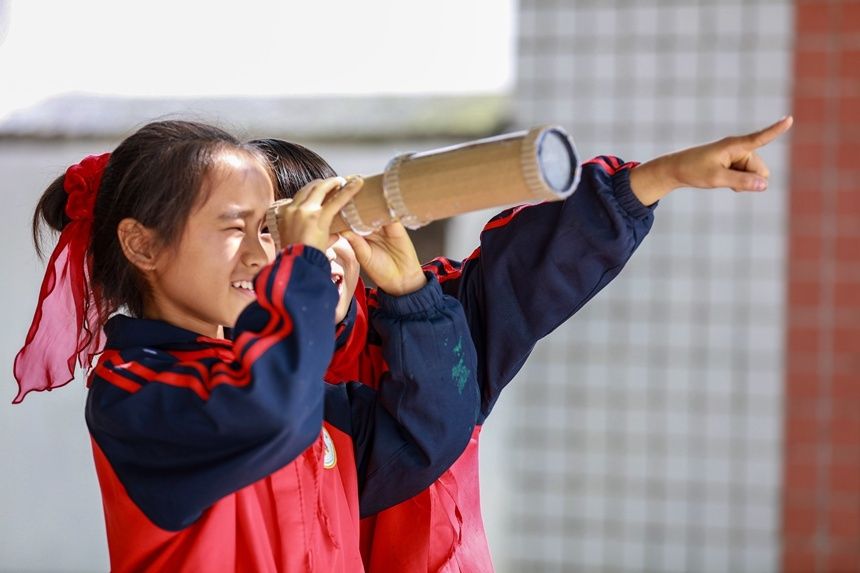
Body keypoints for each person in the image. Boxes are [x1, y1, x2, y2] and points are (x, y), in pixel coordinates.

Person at [250, 114, 794, 572]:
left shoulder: (430, 318)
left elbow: (532, 264)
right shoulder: (219, 384)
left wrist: (662, 176)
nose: (317, 251)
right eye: (284, 233)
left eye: (332, 223)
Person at [14, 120, 480, 572]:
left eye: (267, 230)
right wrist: (305, 267)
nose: (262, 256)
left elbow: (425, 437)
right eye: (236, 228)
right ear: (143, 246)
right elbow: (270, 413)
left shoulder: (280, 379)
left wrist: (409, 293)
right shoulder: (135, 390)